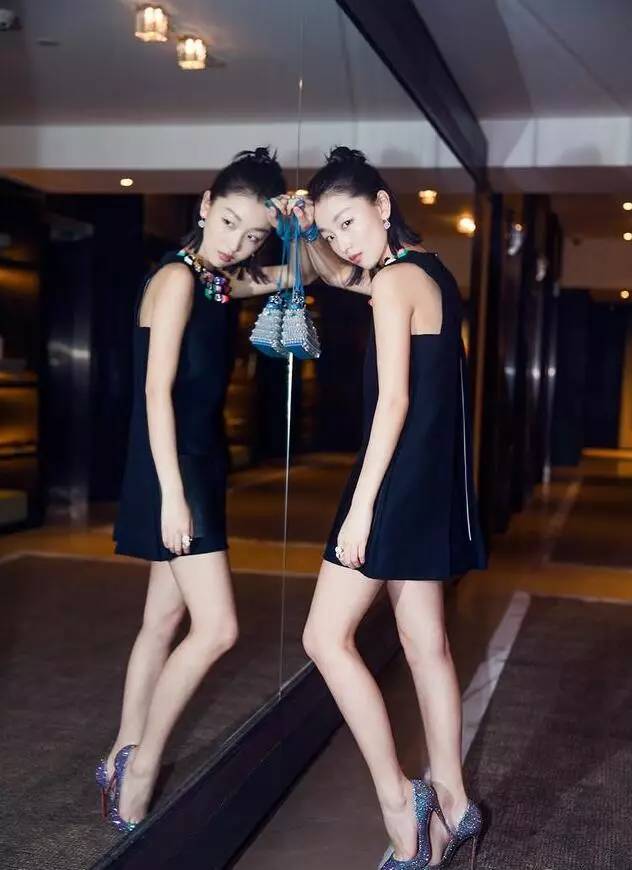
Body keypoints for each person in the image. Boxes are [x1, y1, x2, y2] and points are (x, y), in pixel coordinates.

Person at [292, 146, 487, 869]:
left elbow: (394, 402)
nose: (341, 241)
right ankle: (455, 804)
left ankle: (401, 801)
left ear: (382, 205)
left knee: (324, 638)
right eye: (330, 230)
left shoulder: (394, 281)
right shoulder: (427, 270)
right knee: (425, 642)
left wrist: (361, 508)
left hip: (395, 479)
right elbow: (338, 271)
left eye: (348, 221)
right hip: (429, 478)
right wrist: (309, 231)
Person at [100, 147, 296, 832]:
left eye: (255, 235)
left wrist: (297, 227)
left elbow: (305, 271)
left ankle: (119, 753)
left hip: (196, 465)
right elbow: (154, 393)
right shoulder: (179, 280)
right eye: (230, 222)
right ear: (206, 205)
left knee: (162, 622)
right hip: (174, 470)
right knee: (217, 629)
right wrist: (174, 495)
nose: (238, 243)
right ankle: (140, 769)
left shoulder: (213, 281)